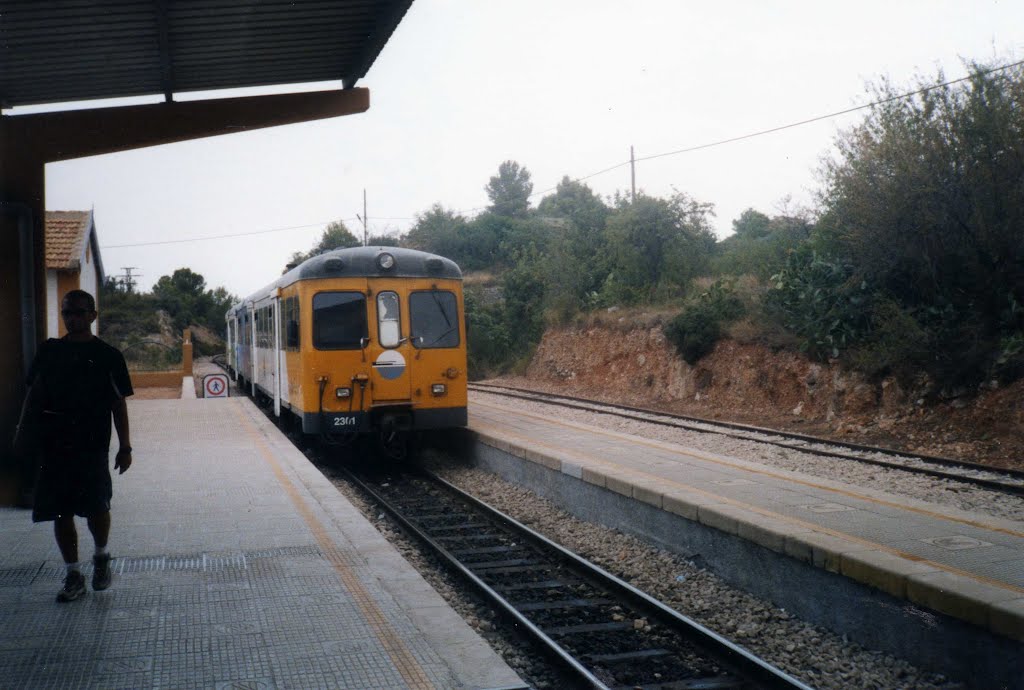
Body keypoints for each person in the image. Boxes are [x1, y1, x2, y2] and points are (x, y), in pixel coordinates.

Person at [14, 289, 134, 602]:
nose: (73, 318)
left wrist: (126, 446)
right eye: (68, 312)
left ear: (93, 315)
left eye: (80, 312)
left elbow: (118, 404)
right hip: (53, 443)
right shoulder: (49, 352)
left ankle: (101, 556)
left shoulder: (109, 356)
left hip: (92, 444)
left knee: (97, 507)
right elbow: (34, 395)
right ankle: (72, 575)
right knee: (59, 511)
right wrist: (22, 433)